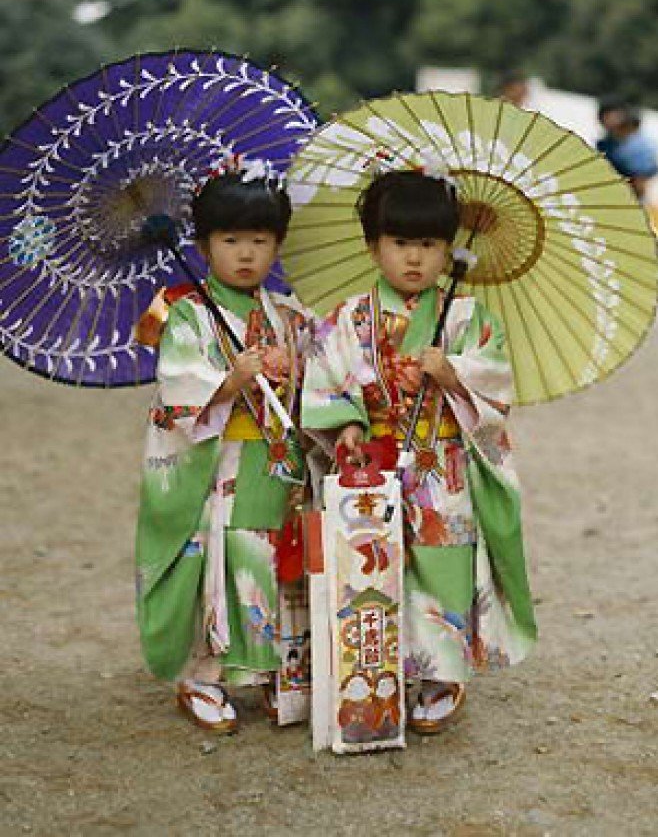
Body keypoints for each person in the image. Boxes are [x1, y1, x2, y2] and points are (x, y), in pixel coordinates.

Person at [301, 170, 537, 735]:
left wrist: (453, 372)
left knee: (442, 562)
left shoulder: (465, 316)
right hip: (376, 465)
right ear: (373, 244)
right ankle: (381, 671)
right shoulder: (349, 316)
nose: (415, 259)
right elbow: (326, 381)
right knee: (375, 567)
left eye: (429, 245)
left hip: (442, 465)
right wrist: (349, 425)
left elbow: (497, 383)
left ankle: (442, 672)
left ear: (447, 248)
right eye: (400, 243)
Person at [136, 165, 311, 734]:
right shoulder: (186, 313)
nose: (245, 254)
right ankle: (204, 675)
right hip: (220, 465)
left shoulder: (289, 314)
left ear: (277, 245)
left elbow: (320, 386)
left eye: (260, 241)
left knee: (278, 558)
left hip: (277, 462)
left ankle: (273, 672)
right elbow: (178, 390)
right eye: (230, 240)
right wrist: (231, 381)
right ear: (203, 244)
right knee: (224, 560)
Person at [597, 96, 658, 203]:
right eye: (605, 116)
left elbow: (640, 182)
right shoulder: (604, 144)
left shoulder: (639, 146)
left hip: (630, 197)